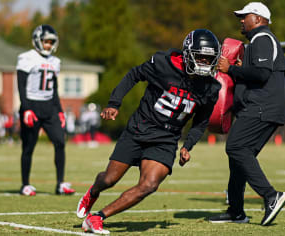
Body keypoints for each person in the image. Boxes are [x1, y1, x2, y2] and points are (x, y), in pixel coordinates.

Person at [76, 29, 221, 234]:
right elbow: (134, 74)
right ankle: (93, 191)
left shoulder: (211, 88)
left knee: (149, 185)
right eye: (201, 57)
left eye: (210, 59)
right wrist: (114, 103)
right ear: (188, 53)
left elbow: (201, 121)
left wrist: (188, 145)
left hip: (166, 138)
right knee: (109, 179)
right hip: (139, 128)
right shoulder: (164, 64)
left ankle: (97, 218)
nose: (205, 63)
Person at [209, 2, 285, 226]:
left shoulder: (262, 39)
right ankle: (236, 212)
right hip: (263, 106)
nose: (241, 20)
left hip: (263, 106)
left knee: (235, 147)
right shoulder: (257, 41)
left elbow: (262, 74)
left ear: (259, 18)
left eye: (245, 16)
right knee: (239, 158)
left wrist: (230, 69)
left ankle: (271, 196)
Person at [16, 24, 75, 196]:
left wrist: (59, 110)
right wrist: (26, 108)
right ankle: (25, 185)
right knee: (28, 147)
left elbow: (54, 89)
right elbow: (21, 86)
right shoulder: (26, 58)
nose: (48, 45)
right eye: (46, 41)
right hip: (31, 106)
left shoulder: (55, 62)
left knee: (60, 142)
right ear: (37, 41)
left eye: (51, 42)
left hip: (49, 107)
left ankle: (60, 184)